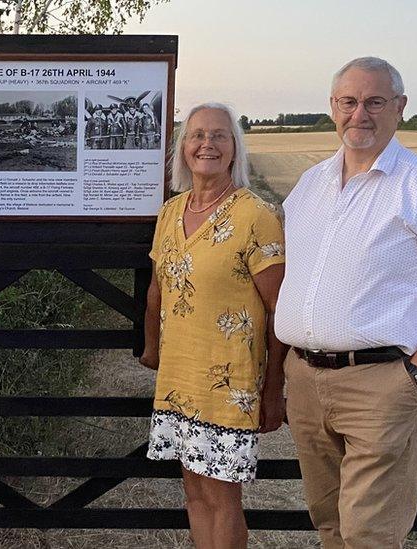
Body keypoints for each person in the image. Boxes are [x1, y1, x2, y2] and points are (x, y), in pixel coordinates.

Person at [276, 57, 417, 548]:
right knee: (330, 523)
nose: (359, 113)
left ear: (399, 108)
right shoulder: (309, 187)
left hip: (383, 383)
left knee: (370, 533)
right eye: (349, 101)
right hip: (305, 380)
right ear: (333, 107)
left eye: (375, 101)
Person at [141, 103, 287, 549]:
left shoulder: (254, 215)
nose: (208, 143)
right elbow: (157, 288)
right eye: (198, 134)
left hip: (229, 384)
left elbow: (279, 309)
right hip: (179, 378)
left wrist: (273, 386)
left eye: (220, 135)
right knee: (194, 492)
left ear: (234, 148)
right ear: (183, 148)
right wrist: (152, 349)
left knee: (223, 498)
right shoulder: (171, 211)